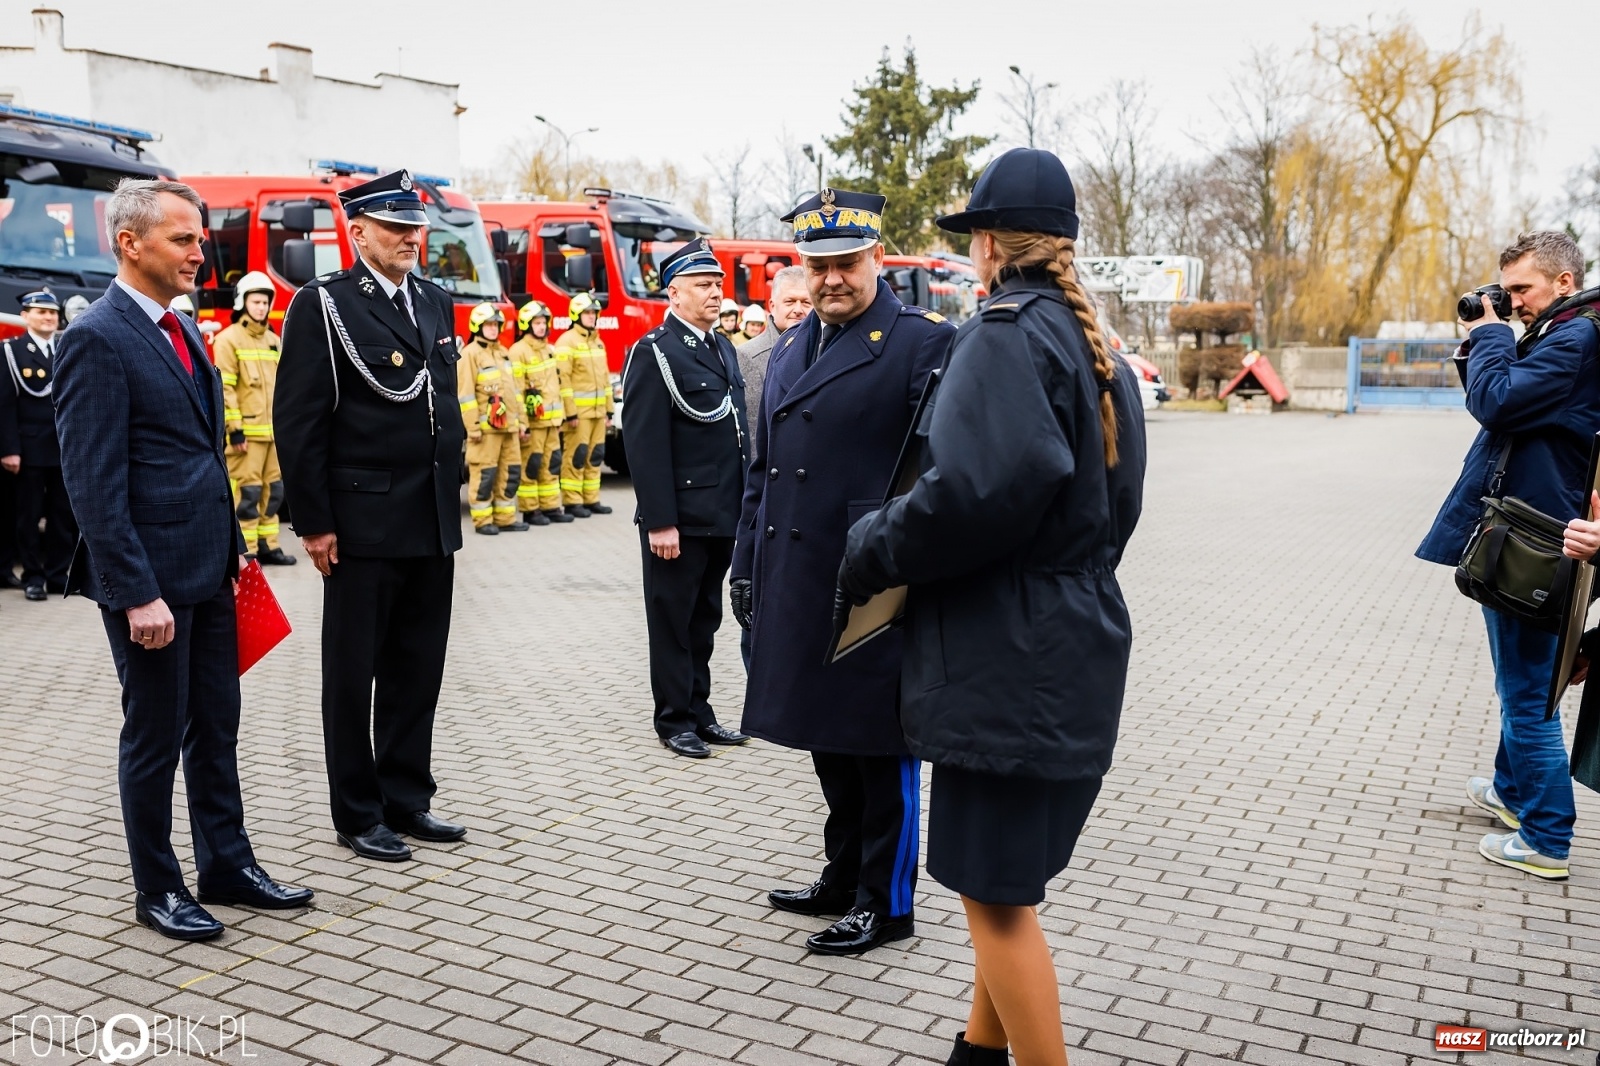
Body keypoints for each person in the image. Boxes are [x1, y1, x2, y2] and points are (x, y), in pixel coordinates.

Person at [839, 148, 1147, 1066]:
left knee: (997, 904)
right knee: (999, 882)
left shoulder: (1004, 335)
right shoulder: (1098, 353)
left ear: (985, 246)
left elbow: (975, 494)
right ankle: (976, 1054)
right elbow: (1113, 509)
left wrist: (872, 545)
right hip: (1069, 641)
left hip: (1005, 656)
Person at [53, 178, 312, 941]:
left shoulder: (185, 329)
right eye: (183, 239)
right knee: (154, 736)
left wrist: (236, 553)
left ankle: (227, 866)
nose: (202, 252)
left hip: (208, 569)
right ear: (129, 244)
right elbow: (93, 484)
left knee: (216, 727)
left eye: (200, 239)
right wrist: (135, 593)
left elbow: (200, 456)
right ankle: (157, 889)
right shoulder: (95, 338)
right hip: (152, 587)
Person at [730, 188, 952, 956]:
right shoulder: (792, 345)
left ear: (877, 259)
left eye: (846, 264)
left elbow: (938, 472)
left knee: (878, 745)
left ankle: (886, 903)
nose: (830, 279)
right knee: (827, 736)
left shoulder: (924, 343)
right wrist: (746, 566)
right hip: (798, 573)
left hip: (874, 582)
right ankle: (841, 872)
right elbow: (761, 471)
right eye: (817, 265)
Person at [274, 169, 470, 864]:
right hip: (361, 520)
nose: (411, 238)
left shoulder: (436, 300)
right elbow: (298, 423)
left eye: (416, 227)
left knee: (419, 667)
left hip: (430, 518)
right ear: (356, 232)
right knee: (354, 673)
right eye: (395, 228)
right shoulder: (323, 305)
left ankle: (405, 797)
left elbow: (439, 404)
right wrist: (315, 521)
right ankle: (357, 812)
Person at [1418, 230, 1600, 882]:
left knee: (1527, 696)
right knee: (1519, 683)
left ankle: (1547, 837)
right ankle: (1510, 791)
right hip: (1532, 534)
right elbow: (1499, 407)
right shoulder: (1564, 334)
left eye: (1523, 288)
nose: (1514, 300)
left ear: (1564, 283)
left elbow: (1496, 400)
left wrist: (1492, 333)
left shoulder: (1577, 339)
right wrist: (1489, 336)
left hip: (1536, 544)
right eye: (1510, 289)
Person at [621, 238, 751, 759]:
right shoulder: (655, 350)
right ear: (673, 292)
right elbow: (644, 442)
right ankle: (673, 719)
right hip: (679, 519)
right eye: (703, 285)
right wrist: (659, 522)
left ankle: (700, 711)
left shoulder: (720, 347)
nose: (715, 293)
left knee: (705, 620)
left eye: (717, 284)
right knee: (673, 623)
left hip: (721, 512)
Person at [732, 265, 810, 669]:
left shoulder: (826, 350)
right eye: (790, 302)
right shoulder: (748, 359)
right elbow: (748, 443)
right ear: (771, 306)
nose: (798, 309)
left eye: (806, 302)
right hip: (764, 507)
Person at [213, 271, 295, 565]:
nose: (261, 307)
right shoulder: (227, 340)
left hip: (273, 435)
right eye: (255, 301)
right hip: (245, 437)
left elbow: (286, 389)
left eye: (264, 302)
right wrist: (234, 431)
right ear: (242, 303)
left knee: (273, 493)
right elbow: (226, 389)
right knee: (246, 494)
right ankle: (245, 550)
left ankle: (269, 545)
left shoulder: (274, 341)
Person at [0, 290, 78, 599]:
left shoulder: (67, 346)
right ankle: (33, 577)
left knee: (63, 517)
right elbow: (5, 405)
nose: (48, 317)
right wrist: (9, 449)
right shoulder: (12, 352)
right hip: (28, 450)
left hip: (64, 449)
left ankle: (59, 576)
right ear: (25, 316)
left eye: (52, 312)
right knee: (28, 518)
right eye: (40, 312)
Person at [458, 303, 529, 535]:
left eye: (495, 325)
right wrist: (473, 428)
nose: (492, 329)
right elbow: (465, 395)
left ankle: (505, 517)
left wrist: (521, 422)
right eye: (488, 325)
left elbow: (514, 391)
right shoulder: (469, 354)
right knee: (485, 475)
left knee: (510, 473)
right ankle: (483, 520)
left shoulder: (502, 352)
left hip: (509, 428)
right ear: (477, 326)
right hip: (486, 430)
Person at [509, 300, 573, 525]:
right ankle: (530, 509)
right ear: (527, 324)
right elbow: (516, 391)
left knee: (552, 463)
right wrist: (522, 423)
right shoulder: (518, 352)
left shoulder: (549, 349)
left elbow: (557, 385)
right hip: (534, 423)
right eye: (536, 322)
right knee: (532, 464)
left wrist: (562, 416)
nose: (541, 327)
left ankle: (551, 506)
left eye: (544, 322)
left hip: (552, 422)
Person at [553, 292, 613, 518]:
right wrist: (570, 414)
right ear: (576, 315)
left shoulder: (597, 341)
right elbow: (563, 382)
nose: (592, 317)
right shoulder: (566, 342)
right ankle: (572, 501)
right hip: (578, 415)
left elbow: (605, 379)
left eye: (594, 313)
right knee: (576, 457)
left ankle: (591, 499)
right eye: (587, 313)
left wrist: (609, 409)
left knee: (595, 455)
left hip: (598, 412)